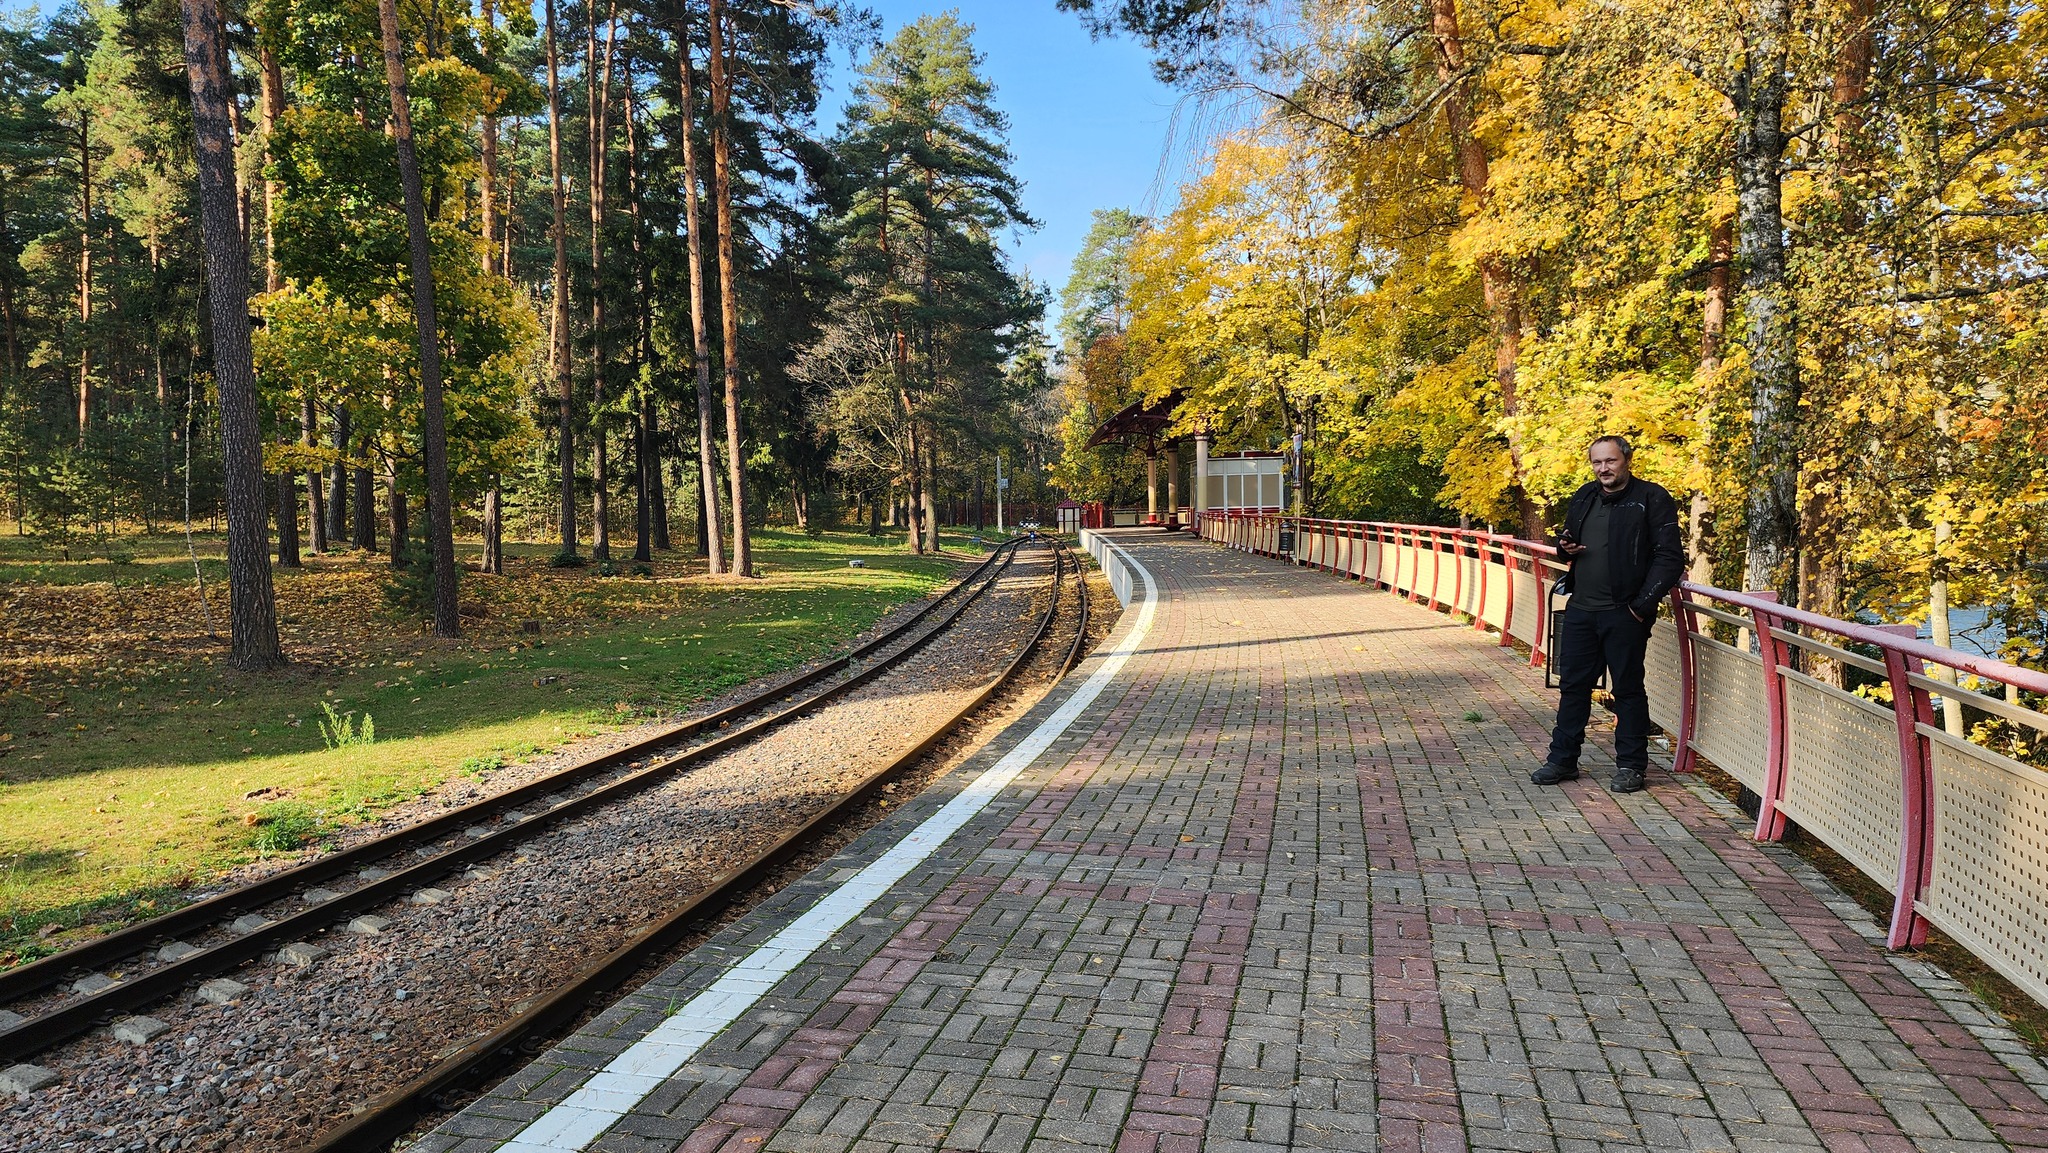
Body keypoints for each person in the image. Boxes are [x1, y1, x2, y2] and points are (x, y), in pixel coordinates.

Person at [1532, 435, 1685, 793]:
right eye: (1597, 462)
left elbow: (1669, 557)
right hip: (1582, 608)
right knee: (1573, 687)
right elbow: (1566, 545)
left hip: (1625, 613)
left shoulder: (1651, 498)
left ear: (1626, 460)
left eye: (1610, 461)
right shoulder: (1585, 496)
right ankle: (1562, 760)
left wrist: (1640, 608)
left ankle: (1632, 766)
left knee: (1628, 689)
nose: (1604, 468)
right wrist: (1563, 547)